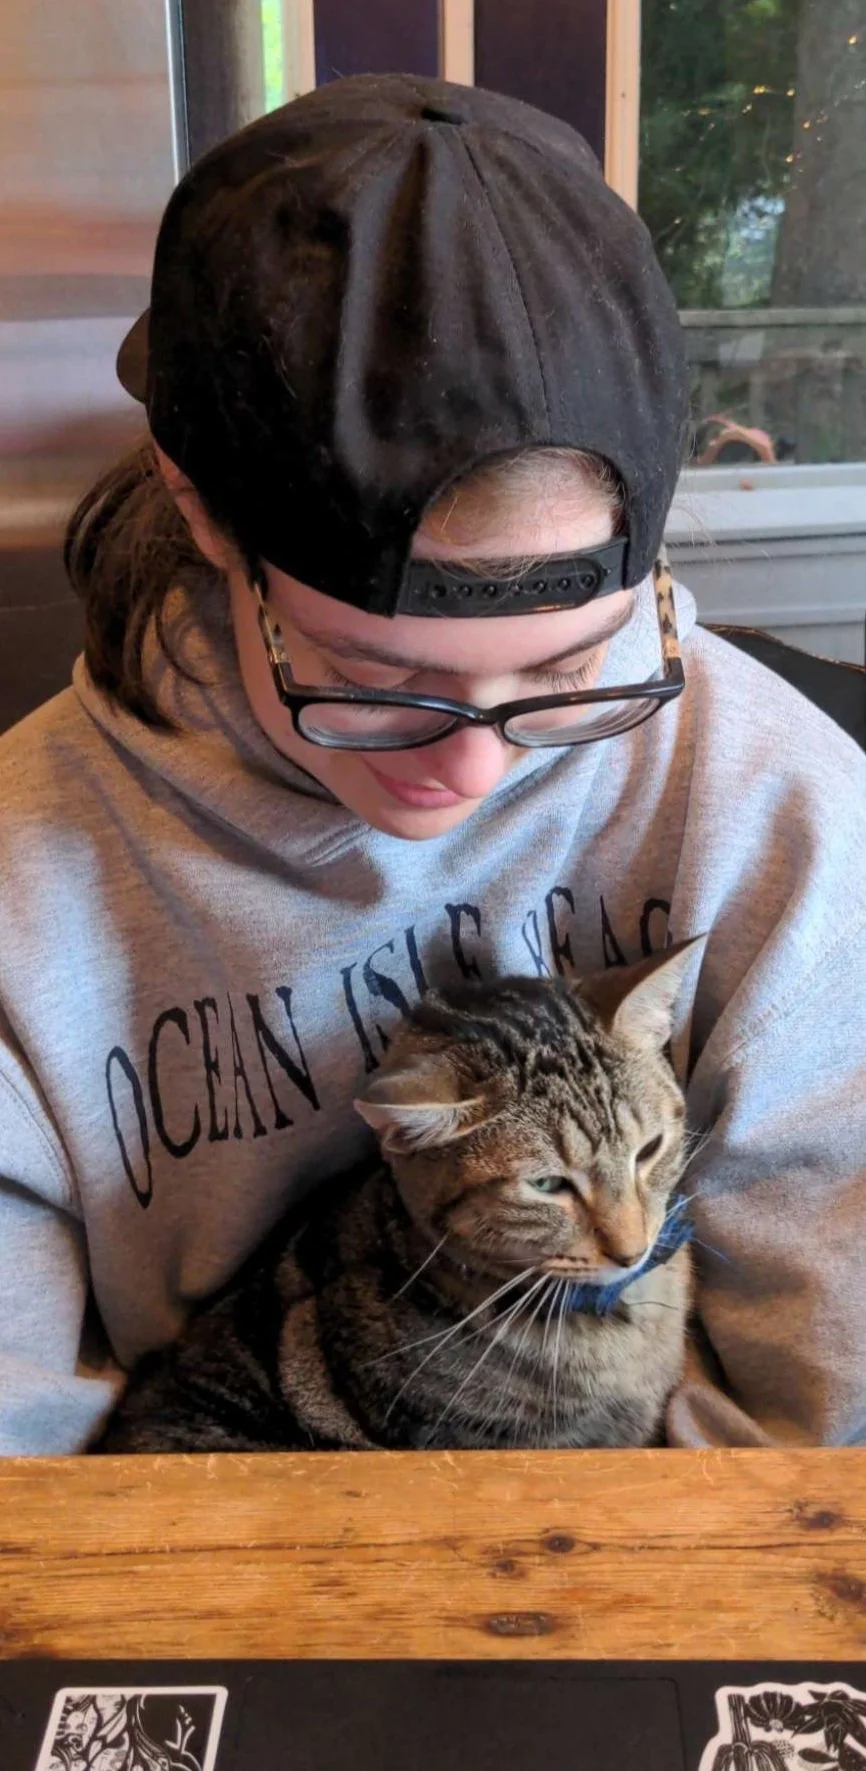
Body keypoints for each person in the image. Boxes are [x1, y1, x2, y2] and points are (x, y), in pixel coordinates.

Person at [1, 72, 865, 1458]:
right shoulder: (21, 884)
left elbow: (818, 1414)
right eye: (376, 681)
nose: (467, 777)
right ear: (199, 511)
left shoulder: (777, 808)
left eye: (567, 671)